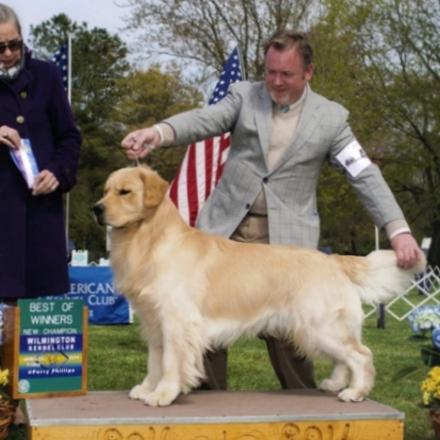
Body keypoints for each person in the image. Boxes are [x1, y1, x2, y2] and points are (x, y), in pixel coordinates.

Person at [120, 29, 424, 391]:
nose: (276, 82)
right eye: (270, 72)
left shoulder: (330, 119)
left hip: (285, 238)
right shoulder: (244, 98)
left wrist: (398, 229)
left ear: (308, 72)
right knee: (201, 322)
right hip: (225, 229)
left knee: (296, 338)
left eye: (287, 74)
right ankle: (204, 410)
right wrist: (159, 132)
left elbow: (364, 174)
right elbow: (204, 120)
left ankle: (307, 408)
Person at [0, 4, 81, 303]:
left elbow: (69, 137)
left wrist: (58, 173)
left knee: (34, 332)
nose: (8, 53)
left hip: (38, 215)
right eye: (0, 47)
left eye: (14, 44)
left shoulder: (46, 75)